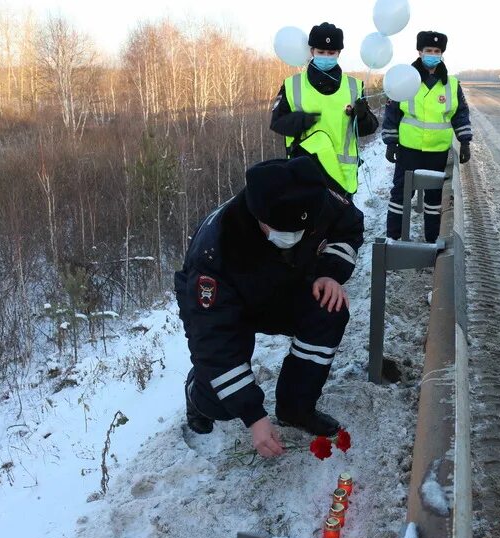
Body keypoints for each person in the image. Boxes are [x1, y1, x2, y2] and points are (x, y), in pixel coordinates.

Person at [174, 157, 364, 459]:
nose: (290, 238)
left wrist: (330, 272)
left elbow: (349, 226)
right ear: (257, 214)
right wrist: (254, 417)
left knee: (329, 309)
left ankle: (295, 408)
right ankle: (197, 393)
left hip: (285, 286)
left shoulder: (317, 199)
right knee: (222, 398)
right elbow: (214, 340)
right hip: (228, 305)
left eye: (301, 231)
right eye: (278, 230)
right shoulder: (216, 250)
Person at [270, 22, 379, 199]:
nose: (326, 57)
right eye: (321, 52)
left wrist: (362, 116)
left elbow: (370, 127)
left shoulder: (354, 86)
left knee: (341, 227)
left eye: (331, 53)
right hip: (305, 174)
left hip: (341, 178)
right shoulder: (292, 85)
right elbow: (277, 123)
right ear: (312, 51)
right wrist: (301, 120)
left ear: (338, 54)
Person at [382, 30, 473, 242]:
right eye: (428, 50)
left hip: (437, 152)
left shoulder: (451, 84)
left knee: (434, 200)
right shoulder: (405, 79)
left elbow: (460, 114)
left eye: (437, 51)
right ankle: (393, 240)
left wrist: (465, 141)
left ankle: (433, 242)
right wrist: (390, 142)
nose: (433, 54)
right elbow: (392, 112)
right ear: (419, 52)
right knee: (400, 195)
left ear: (442, 54)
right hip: (408, 150)